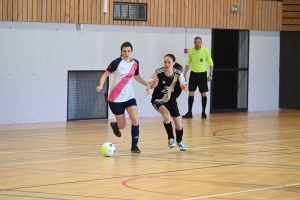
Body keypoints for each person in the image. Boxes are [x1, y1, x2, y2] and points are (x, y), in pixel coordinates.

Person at [96, 41, 150, 153]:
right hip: (115, 98)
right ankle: (115, 125)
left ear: (131, 52)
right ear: (121, 51)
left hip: (129, 96)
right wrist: (100, 85)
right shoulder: (116, 63)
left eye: (129, 51)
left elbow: (137, 76)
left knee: (135, 120)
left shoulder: (135, 63)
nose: (126, 53)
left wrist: (148, 84)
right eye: (124, 51)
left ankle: (134, 146)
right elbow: (105, 75)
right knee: (122, 125)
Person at [148, 54, 188, 151]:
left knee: (178, 124)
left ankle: (180, 141)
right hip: (158, 99)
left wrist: (184, 87)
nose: (167, 64)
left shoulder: (178, 74)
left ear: (174, 63)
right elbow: (149, 85)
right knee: (166, 115)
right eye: (165, 62)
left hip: (171, 100)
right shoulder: (158, 73)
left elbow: (186, 88)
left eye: (169, 62)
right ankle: (171, 138)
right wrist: (153, 85)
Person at [182, 36, 214, 119]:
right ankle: (189, 112)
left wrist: (211, 74)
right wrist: (185, 73)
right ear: (194, 43)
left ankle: (203, 112)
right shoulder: (191, 51)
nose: (197, 44)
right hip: (193, 74)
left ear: (201, 43)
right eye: (196, 42)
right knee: (191, 93)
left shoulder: (205, 51)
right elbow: (188, 62)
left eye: (199, 42)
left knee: (203, 93)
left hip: (202, 75)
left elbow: (211, 63)